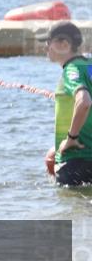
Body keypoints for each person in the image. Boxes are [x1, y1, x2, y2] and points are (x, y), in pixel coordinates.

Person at [40, 21, 92, 186]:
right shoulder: (88, 66)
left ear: (64, 44)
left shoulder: (71, 70)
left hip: (76, 160)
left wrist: (71, 138)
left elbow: (84, 102)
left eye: (49, 43)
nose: (45, 48)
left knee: (72, 210)